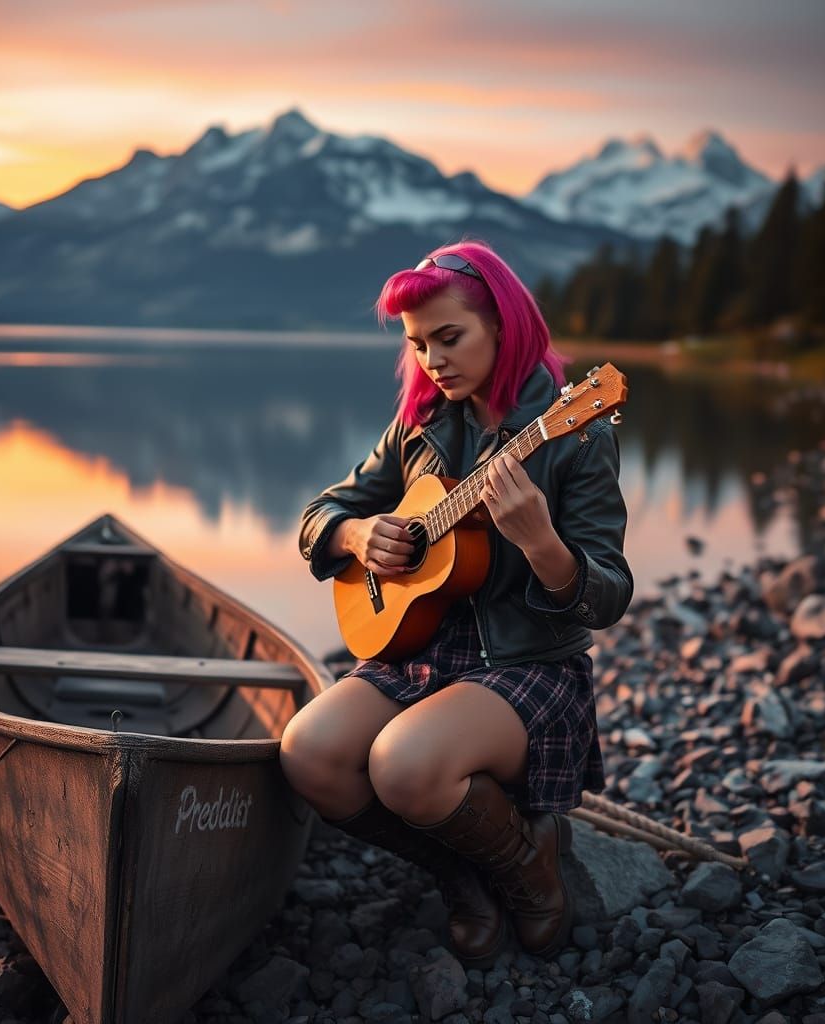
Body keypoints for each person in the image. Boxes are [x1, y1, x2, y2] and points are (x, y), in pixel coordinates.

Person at [281, 239, 633, 966]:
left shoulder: (577, 432)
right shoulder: (421, 427)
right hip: (421, 647)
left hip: (527, 662)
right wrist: (353, 534)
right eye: (419, 345)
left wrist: (542, 543)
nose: (434, 361)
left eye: (451, 337)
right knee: (309, 753)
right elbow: (319, 512)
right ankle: (461, 874)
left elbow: (608, 595)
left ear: (503, 327)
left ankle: (530, 871)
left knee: (402, 766)